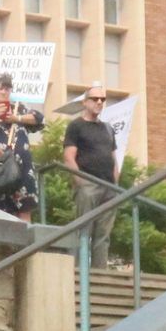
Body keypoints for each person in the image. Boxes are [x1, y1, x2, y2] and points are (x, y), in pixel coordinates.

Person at [61, 86, 118, 267]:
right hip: (88, 184)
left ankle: (100, 273)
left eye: (102, 99)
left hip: (108, 187)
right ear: (85, 102)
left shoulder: (108, 129)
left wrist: (115, 184)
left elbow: (114, 157)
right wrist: (81, 182)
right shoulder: (76, 125)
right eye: (95, 99)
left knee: (103, 235)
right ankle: (78, 272)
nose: (99, 102)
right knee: (83, 230)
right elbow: (69, 156)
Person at [0, 74, 44, 221]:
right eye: (0, 88)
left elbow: (39, 119)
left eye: (7, 88)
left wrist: (16, 118)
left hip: (22, 168)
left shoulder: (20, 109)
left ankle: (26, 244)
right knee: (0, 213)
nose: (4, 92)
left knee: (24, 208)